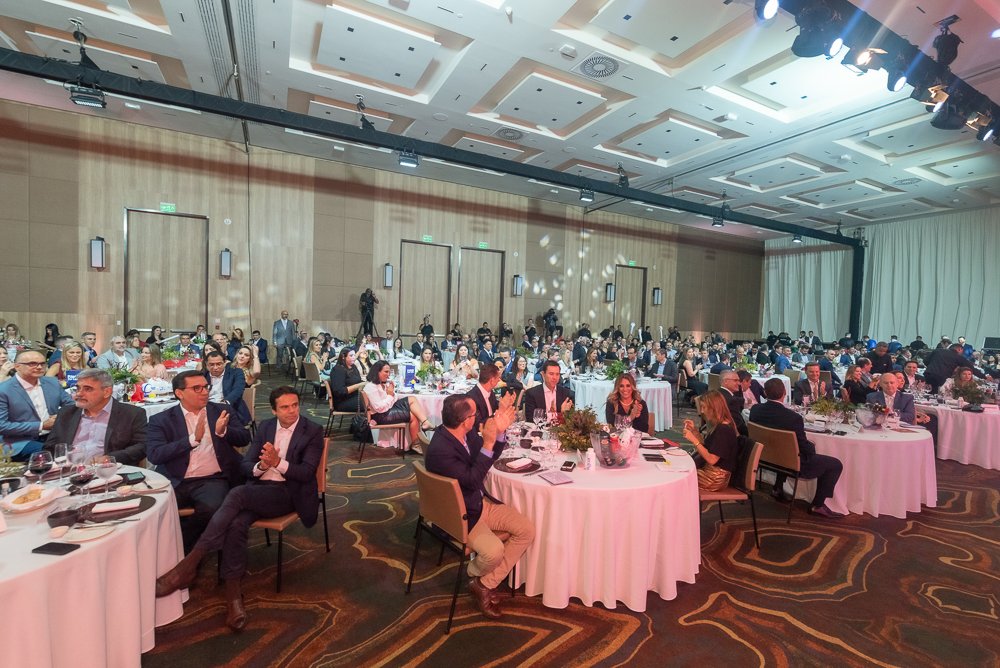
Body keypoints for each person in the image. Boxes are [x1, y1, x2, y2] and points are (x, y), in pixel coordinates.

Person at [154, 386, 324, 631]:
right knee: (236, 523)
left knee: (237, 494)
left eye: (295, 405)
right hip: (259, 490)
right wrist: (261, 467)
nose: (292, 411)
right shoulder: (266, 427)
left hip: (288, 494)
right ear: (274, 410)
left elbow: (306, 473)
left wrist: (278, 463)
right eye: (285, 407)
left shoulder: (312, 430)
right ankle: (233, 596)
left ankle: (190, 563)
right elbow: (246, 465)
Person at [425, 393, 533, 619]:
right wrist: (489, 441)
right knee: (494, 552)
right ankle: (476, 577)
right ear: (465, 420)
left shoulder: (463, 434)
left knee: (526, 529)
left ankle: (483, 584)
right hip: (460, 515)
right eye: (475, 414)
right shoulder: (441, 450)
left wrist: (499, 432)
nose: (478, 417)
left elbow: (489, 456)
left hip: (477, 502)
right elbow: (474, 479)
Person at [147, 370, 251, 551]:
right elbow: (155, 455)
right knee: (151, 511)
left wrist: (223, 432)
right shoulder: (161, 419)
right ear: (179, 393)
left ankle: (184, 551)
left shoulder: (221, 411)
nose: (204, 392)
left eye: (206, 387)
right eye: (197, 388)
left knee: (212, 509)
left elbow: (244, 438)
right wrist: (192, 440)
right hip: (175, 479)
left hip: (212, 478)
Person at [749, 378, 844, 518]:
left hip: (765, 458)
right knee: (835, 464)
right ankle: (818, 505)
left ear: (765, 393)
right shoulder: (792, 418)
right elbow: (803, 446)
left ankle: (777, 488)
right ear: (785, 393)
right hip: (789, 462)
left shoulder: (755, 410)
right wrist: (812, 447)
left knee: (783, 447)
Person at [44, 368, 147, 465]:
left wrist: (110, 458)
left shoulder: (131, 414)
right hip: (69, 470)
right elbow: (50, 447)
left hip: (108, 471)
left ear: (107, 392)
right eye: (78, 388)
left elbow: (142, 446)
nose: (79, 394)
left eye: (87, 389)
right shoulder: (66, 413)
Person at [0, 349, 75, 460]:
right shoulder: (4, 390)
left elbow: (71, 405)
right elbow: (2, 425)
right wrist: (41, 425)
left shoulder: (52, 382)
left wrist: (60, 416)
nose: (39, 367)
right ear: (17, 366)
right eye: (32, 364)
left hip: (52, 435)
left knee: (81, 448)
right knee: (50, 454)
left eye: (42, 363)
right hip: (19, 441)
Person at [363, 361, 434, 448]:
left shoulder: (381, 384)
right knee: (413, 416)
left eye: (389, 372)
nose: (388, 375)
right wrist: (390, 395)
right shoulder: (371, 387)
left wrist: (392, 393)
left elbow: (394, 399)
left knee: (412, 399)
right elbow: (379, 408)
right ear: (377, 372)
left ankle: (425, 424)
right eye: (386, 372)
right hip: (379, 416)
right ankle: (416, 443)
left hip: (386, 410)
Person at [682, 391, 740, 491]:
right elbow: (708, 447)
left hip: (714, 477)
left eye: (704, 407)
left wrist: (694, 440)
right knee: (680, 471)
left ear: (714, 408)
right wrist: (695, 432)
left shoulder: (723, 429)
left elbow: (712, 459)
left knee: (680, 477)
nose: (702, 411)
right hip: (711, 472)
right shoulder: (720, 425)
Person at [202, 351, 252, 427]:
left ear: (225, 363)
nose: (215, 368)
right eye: (211, 364)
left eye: (219, 364)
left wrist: (225, 403)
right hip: (207, 409)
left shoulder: (236, 373)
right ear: (206, 364)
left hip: (230, 409)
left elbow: (238, 390)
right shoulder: (202, 375)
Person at [924, 343, 991, 393]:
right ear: (959, 349)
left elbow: (925, 361)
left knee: (927, 392)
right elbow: (971, 369)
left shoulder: (938, 351)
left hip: (929, 374)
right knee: (937, 393)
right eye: (962, 351)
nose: (962, 353)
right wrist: (984, 376)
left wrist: (932, 366)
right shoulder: (958, 357)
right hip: (942, 377)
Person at [466, 363, 503, 433]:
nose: (499, 380)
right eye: (498, 378)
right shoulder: (471, 398)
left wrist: (504, 405)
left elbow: (495, 408)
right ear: (492, 380)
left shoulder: (490, 392)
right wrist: (499, 412)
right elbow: (478, 425)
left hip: (492, 430)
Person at [329, 347, 365, 412]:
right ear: (343, 357)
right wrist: (359, 385)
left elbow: (358, 381)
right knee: (370, 401)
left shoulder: (353, 367)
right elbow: (340, 391)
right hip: (343, 402)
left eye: (354, 355)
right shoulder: (338, 370)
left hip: (354, 396)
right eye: (351, 356)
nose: (354, 357)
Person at [718, 371, 748, 436]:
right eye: (735, 380)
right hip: (730, 436)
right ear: (726, 381)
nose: (739, 383)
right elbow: (739, 425)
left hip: (718, 433)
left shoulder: (717, 393)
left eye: (739, 380)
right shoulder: (732, 401)